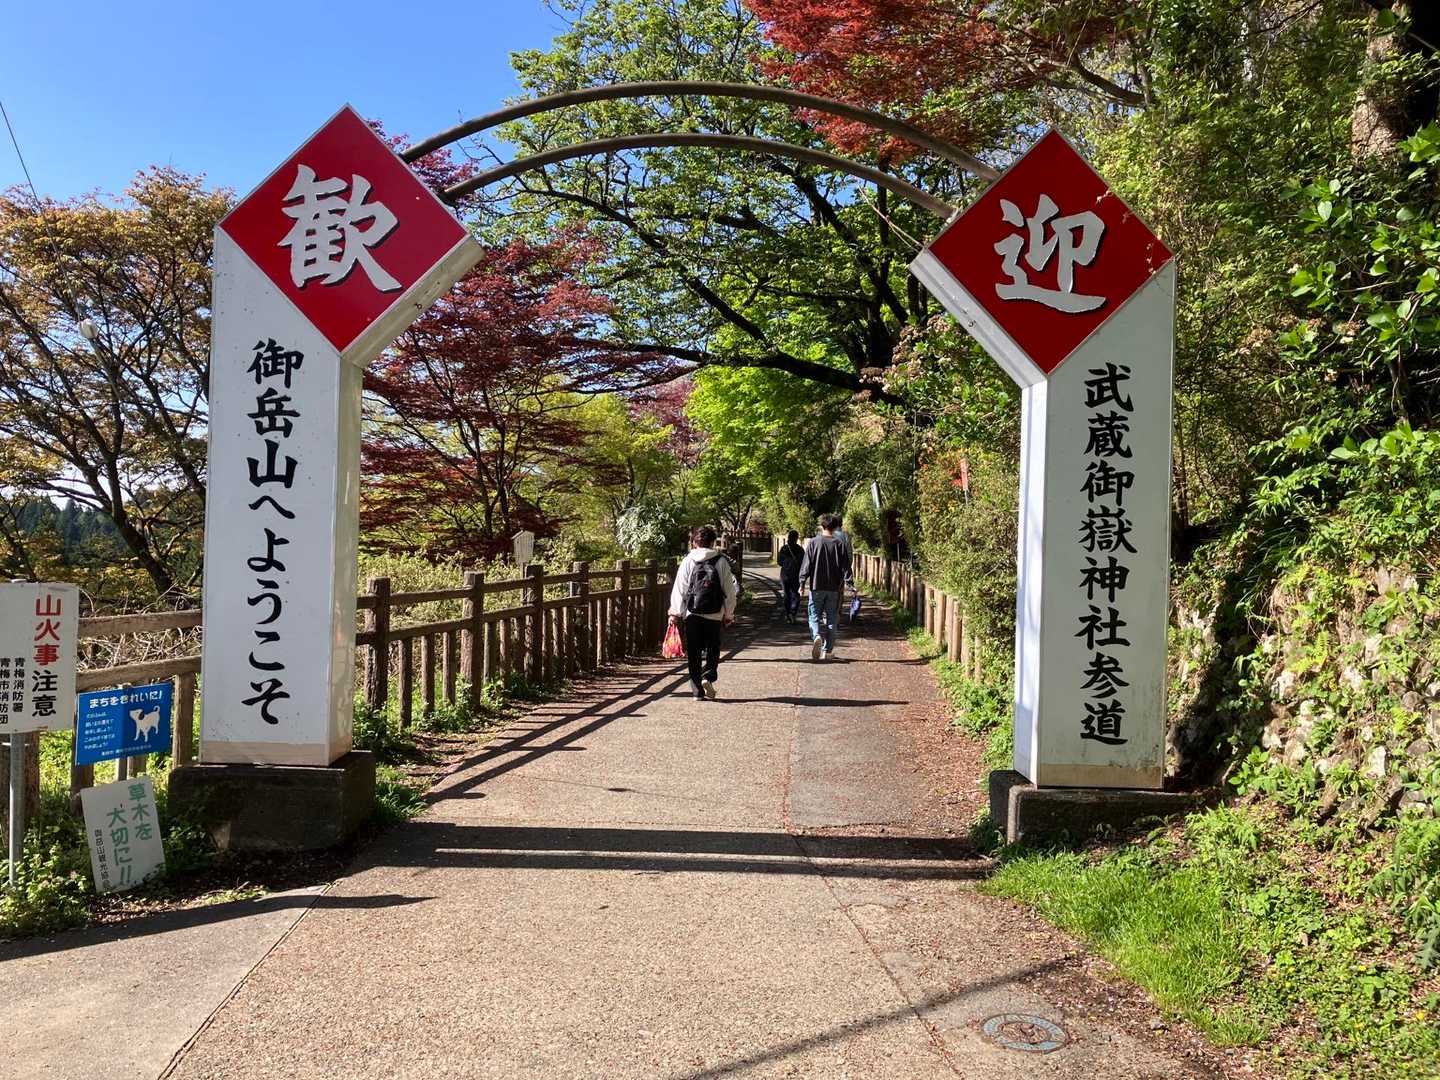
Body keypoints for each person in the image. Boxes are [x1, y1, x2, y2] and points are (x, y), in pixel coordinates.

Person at [668, 525, 739, 700]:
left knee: (694, 651)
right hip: (714, 614)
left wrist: (674, 612)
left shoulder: (688, 561)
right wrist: (729, 614)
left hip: (692, 614)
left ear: (694, 542)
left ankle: (697, 691)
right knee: (713, 648)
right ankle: (708, 675)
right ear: (713, 542)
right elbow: (730, 591)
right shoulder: (721, 561)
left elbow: (680, 588)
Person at [798, 513, 853, 660]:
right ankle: (827, 651)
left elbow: (806, 565)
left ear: (822, 526)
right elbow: (846, 567)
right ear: (835, 527)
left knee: (814, 616)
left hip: (816, 586)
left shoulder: (814, 543)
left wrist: (802, 583)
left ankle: (816, 636)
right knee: (832, 619)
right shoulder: (839, 544)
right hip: (834, 588)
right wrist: (850, 584)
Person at [776, 529, 804, 623]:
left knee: (786, 594)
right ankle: (793, 612)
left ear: (788, 537)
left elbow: (779, 562)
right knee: (795, 594)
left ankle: (788, 614)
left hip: (785, 575)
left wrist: (787, 563)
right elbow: (803, 563)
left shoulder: (784, 549)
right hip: (796, 575)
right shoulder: (800, 549)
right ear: (796, 538)